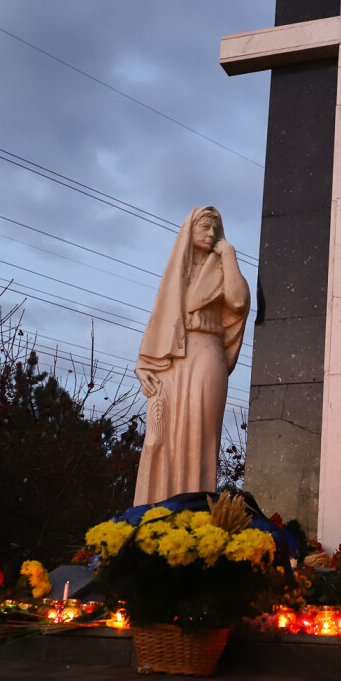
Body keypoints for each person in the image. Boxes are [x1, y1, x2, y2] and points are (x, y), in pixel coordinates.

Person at [133, 207, 250, 505]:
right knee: (158, 440)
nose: (211, 233)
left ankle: (193, 512)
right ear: (190, 230)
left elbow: (238, 302)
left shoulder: (222, 266)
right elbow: (159, 320)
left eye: (215, 229)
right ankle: (152, 512)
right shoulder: (177, 272)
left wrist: (229, 254)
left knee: (200, 437)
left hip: (207, 353)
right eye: (205, 227)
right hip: (171, 360)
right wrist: (144, 365)